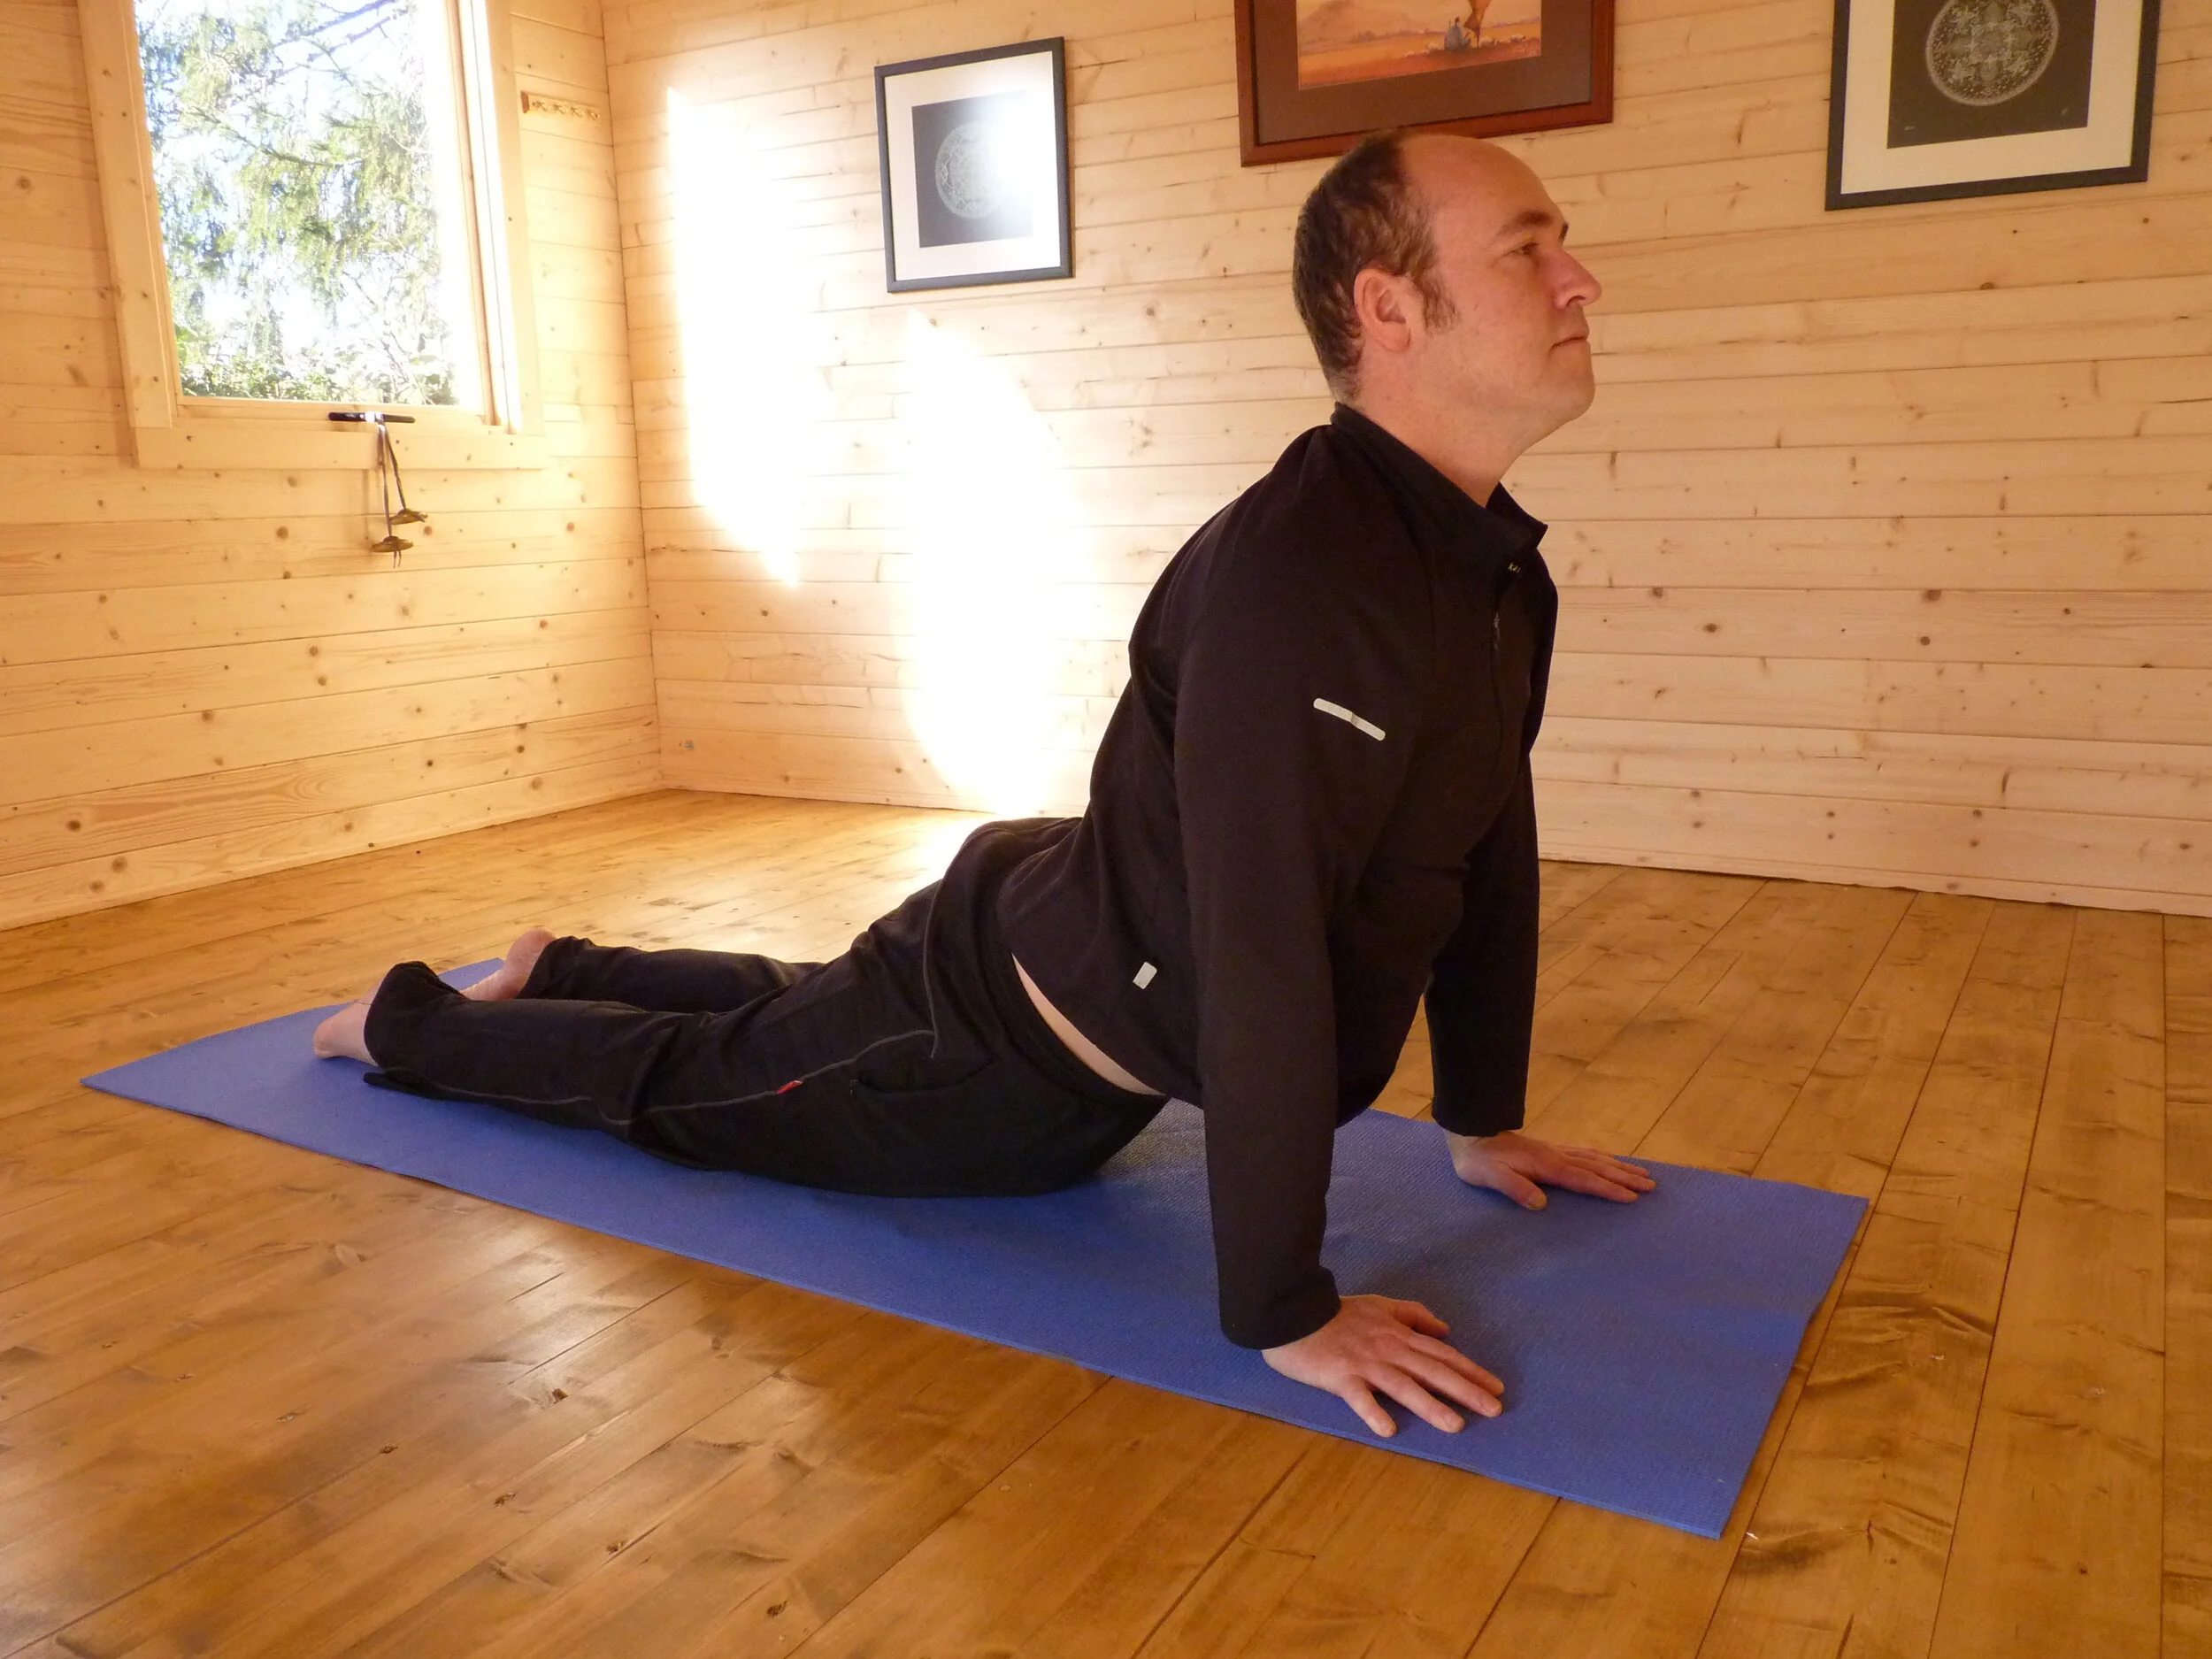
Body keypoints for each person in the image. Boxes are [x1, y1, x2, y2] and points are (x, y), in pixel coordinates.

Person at [313, 130, 1655, 1440]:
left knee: (809, 1010)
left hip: (1056, 950)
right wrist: (1284, 1310)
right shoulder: (1301, 588)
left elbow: (1486, 829)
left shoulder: (1481, 564)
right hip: (988, 1052)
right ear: (1389, 307)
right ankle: (406, 1019)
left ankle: (561, 963)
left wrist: (1483, 1119)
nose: (1579, 280)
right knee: (701, 1084)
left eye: (1565, 247)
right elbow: (1262, 952)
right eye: (1530, 250)